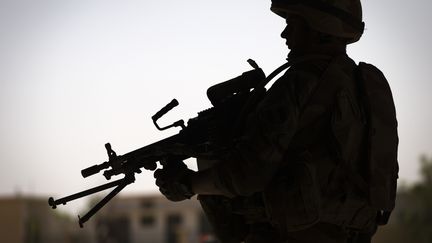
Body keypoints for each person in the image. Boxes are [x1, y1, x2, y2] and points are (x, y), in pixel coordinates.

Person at [154, 0, 398, 242]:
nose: (285, 33)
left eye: (293, 23)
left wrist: (187, 184)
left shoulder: (299, 82)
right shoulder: (366, 84)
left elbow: (247, 173)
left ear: (318, 28)